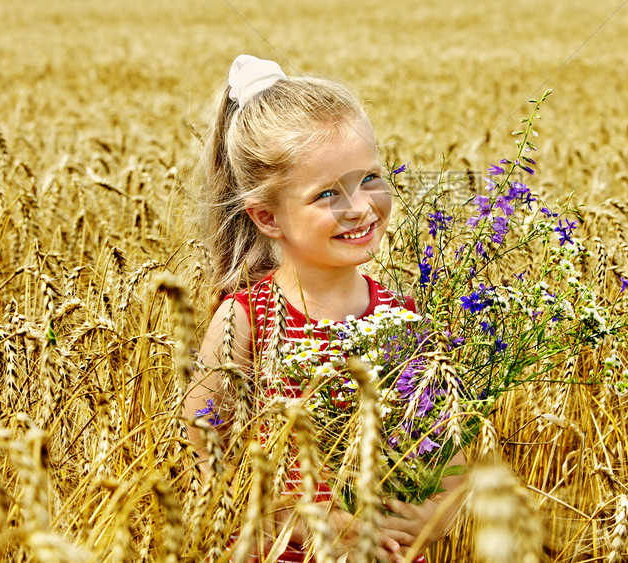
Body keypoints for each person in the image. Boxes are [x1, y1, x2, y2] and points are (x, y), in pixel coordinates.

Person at [183, 54, 465, 563]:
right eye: (327, 193)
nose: (359, 207)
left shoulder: (402, 321)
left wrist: (429, 517)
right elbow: (209, 468)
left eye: (370, 178)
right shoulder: (245, 320)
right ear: (268, 217)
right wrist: (310, 524)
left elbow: (454, 461)